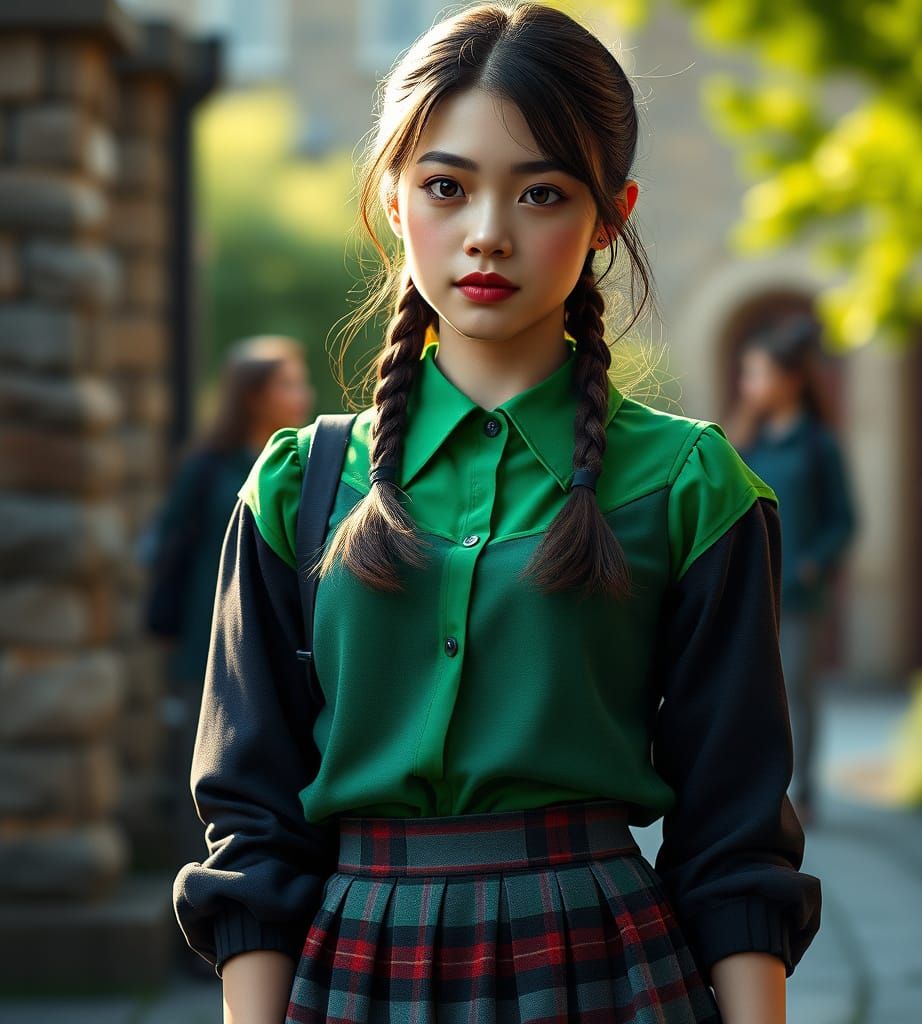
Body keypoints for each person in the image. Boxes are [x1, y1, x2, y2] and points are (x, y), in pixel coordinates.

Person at [171, 4, 823, 1022]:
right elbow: (250, 823)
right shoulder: (298, 486)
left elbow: (733, 829)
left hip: (604, 963)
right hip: (355, 973)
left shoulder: (692, 485)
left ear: (610, 215)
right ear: (393, 196)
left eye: (542, 192)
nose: (487, 233)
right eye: (446, 184)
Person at [144, 334, 313, 876]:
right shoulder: (209, 468)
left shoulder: (310, 462)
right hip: (207, 647)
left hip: (287, 650)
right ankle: (201, 917)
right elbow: (165, 543)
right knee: (212, 782)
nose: (303, 393)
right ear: (254, 395)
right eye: (288, 382)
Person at [731, 314, 858, 829]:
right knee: (749, 691)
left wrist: (812, 565)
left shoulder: (818, 446)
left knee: (796, 695)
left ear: (792, 380)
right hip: (752, 591)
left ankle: (802, 792)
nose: (750, 386)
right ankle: (755, 789)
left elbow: (843, 521)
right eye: (746, 374)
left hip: (799, 594)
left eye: (758, 374)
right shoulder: (748, 443)